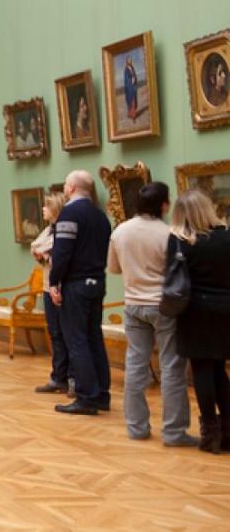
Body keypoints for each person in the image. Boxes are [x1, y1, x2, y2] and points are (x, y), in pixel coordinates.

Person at [107, 182, 197, 446]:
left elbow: (114, 268)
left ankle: (136, 428)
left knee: (135, 365)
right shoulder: (169, 233)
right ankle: (174, 432)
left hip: (133, 304)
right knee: (171, 368)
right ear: (164, 205)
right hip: (164, 305)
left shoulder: (120, 231)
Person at [167, 190, 230, 452]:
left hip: (195, 310)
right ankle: (228, 431)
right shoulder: (226, 237)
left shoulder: (180, 240)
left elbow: (171, 276)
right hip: (225, 309)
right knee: (219, 369)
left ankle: (210, 433)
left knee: (202, 369)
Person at [48, 170, 112, 416]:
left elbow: (62, 253)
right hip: (97, 281)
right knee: (94, 337)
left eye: (66, 184)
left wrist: (54, 281)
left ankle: (86, 397)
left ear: (71, 188)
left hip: (76, 284)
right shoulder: (100, 215)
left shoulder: (70, 213)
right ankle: (101, 394)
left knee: (77, 339)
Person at [31, 192, 72, 396]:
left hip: (63, 287)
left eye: (46, 206)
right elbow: (35, 246)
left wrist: (46, 254)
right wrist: (46, 254)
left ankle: (72, 378)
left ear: (55, 209)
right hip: (48, 286)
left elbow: (55, 252)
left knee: (67, 334)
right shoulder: (49, 229)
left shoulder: (64, 230)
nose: (43, 209)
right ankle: (58, 377)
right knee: (55, 333)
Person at [124, 56, 139, 120]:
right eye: (129, 60)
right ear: (127, 61)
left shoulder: (132, 68)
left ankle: (132, 114)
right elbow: (126, 79)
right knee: (131, 101)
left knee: (134, 100)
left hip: (133, 87)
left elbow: (134, 75)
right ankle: (133, 116)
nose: (130, 61)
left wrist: (134, 79)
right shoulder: (126, 69)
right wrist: (131, 80)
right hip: (129, 88)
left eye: (131, 60)